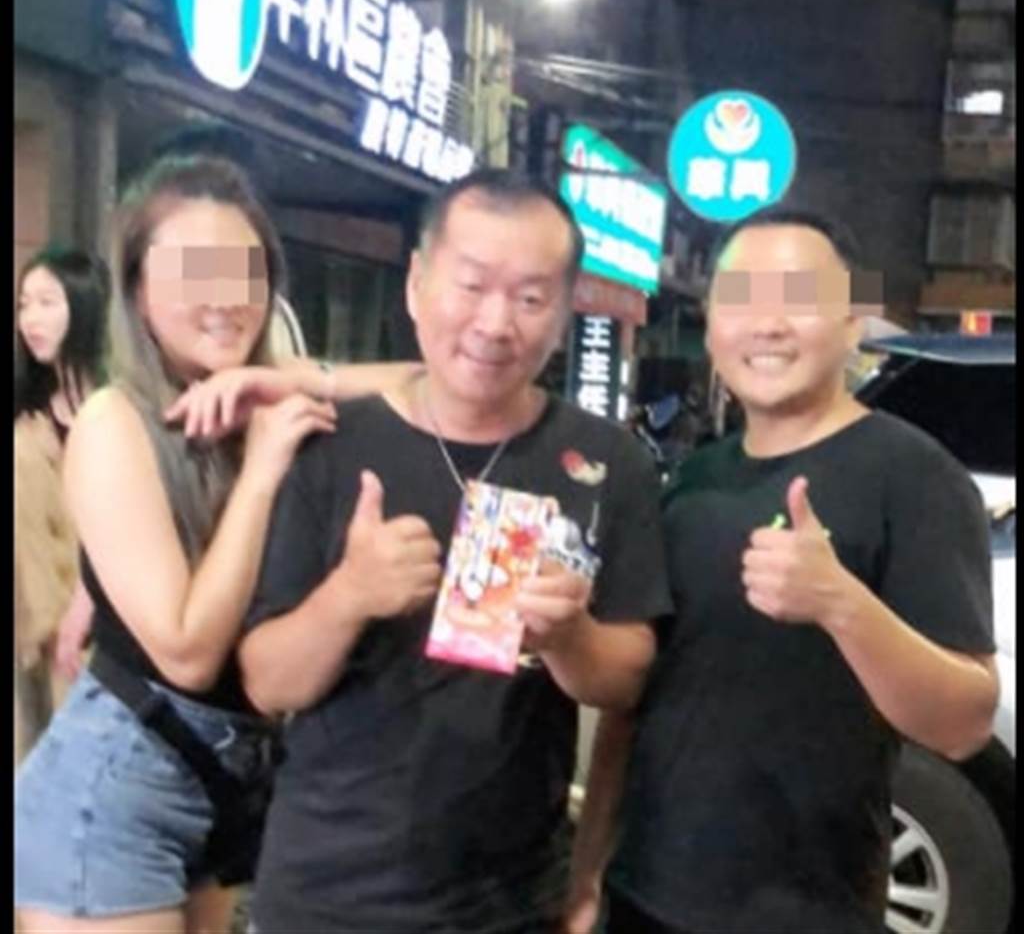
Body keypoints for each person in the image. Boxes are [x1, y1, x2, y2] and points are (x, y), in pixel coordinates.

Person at [236, 169, 672, 933]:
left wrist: (568, 635)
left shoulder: (611, 462)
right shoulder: (330, 445)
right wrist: (350, 594)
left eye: (531, 298)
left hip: (510, 902)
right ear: (416, 284)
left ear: (564, 312)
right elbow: (268, 682)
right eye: (471, 285)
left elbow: (628, 677)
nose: (495, 322)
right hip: (324, 896)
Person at [14, 153, 417, 934]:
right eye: (195, 270)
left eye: (246, 270)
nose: (227, 297)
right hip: (113, 794)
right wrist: (261, 471)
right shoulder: (114, 422)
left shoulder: (263, 392)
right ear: (138, 285)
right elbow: (188, 652)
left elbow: (436, 387)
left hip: (229, 782)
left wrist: (300, 380)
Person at [566, 211, 999, 934]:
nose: (766, 324)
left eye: (798, 295)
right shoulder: (691, 480)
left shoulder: (916, 476)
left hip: (808, 911)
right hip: (643, 895)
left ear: (854, 321)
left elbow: (965, 722)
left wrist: (841, 604)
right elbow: (634, 707)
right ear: (711, 326)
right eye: (740, 297)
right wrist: (587, 874)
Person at [15, 245, 110, 765]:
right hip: (27, 628)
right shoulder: (24, 415)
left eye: (47, 302)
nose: (30, 319)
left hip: (98, 634)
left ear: (85, 305)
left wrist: (87, 597)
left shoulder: (119, 412)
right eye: (24, 304)